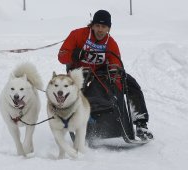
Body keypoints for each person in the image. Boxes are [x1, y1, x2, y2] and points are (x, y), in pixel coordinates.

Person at [57, 10, 153, 140]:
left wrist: (117, 87)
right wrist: (75, 54)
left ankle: (141, 124)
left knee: (130, 83)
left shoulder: (111, 43)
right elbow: (61, 56)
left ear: (109, 28)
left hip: (100, 72)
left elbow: (116, 67)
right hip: (79, 72)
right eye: (97, 26)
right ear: (92, 25)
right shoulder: (77, 35)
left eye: (104, 27)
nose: (100, 30)